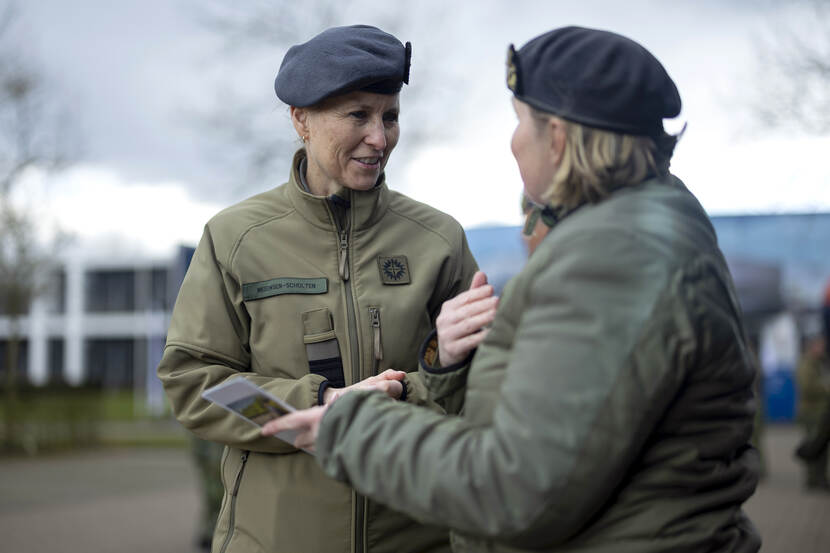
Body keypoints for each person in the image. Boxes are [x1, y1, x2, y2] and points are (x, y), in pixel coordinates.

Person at [263, 26, 762, 552]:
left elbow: (516, 486)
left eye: (520, 121)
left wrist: (352, 429)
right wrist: (448, 366)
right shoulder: (634, 234)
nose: (513, 141)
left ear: (559, 138)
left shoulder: (615, 261)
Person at [157, 25, 479, 553]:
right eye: (358, 115)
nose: (380, 137)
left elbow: (481, 386)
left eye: (390, 116)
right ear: (300, 119)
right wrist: (316, 408)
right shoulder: (236, 239)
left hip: (417, 538)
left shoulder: (438, 241)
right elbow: (194, 381)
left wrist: (414, 388)